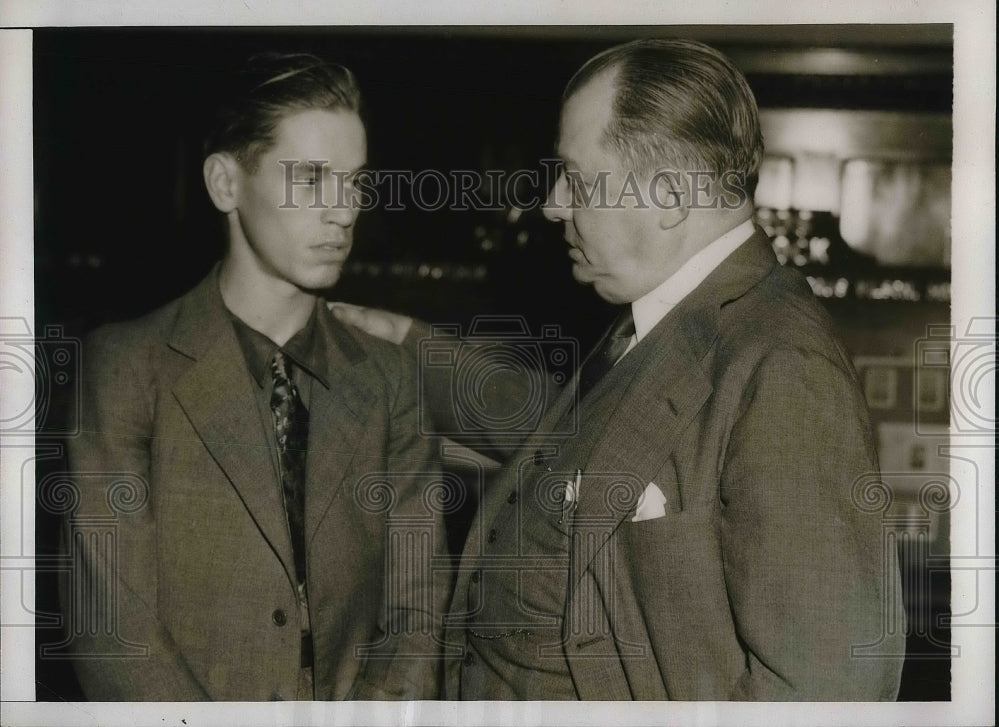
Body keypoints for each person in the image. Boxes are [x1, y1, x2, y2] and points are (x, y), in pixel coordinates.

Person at [334, 39, 905, 700]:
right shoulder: (673, 312)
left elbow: (833, 690)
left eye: (575, 178)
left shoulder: (784, 368)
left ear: (667, 196)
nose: (552, 204)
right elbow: (591, 445)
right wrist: (409, 347)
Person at [61, 53, 446, 701]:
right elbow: (114, 636)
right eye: (311, 180)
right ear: (224, 183)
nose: (344, 212)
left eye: (353, 182)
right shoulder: (127, 368)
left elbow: (417, 609)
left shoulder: (389, 379)